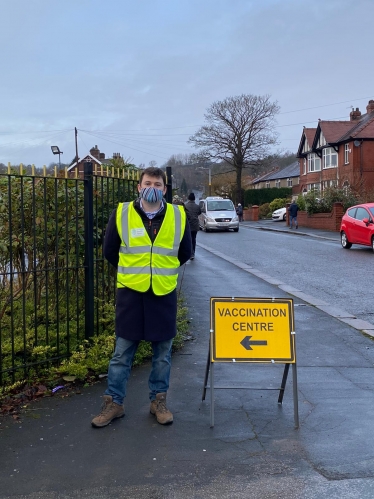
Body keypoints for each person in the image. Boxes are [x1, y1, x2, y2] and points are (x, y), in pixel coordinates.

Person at [91, 167, 192, 428]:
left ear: (165, 189)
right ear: (139, 187)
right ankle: (114, 403)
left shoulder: (178, 215)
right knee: (122, 354)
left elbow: (185, 252)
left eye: (158, 184)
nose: (153, 188)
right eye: (148, 183)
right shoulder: (122, 213)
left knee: (162, 355)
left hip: (163, 293)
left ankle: (158, 402)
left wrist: (158, 272)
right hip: (131, 294)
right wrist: (137, 274)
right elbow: (110, 250)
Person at [184, 192, 201, 260]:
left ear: (188, 198)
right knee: (193, 239)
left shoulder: (186, 206)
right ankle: (193, 253)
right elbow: (199, 212)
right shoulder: (197, 206)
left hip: (188, 225)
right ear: (194, 199)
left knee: (188, 239)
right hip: (195, 225)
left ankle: (189, 253)